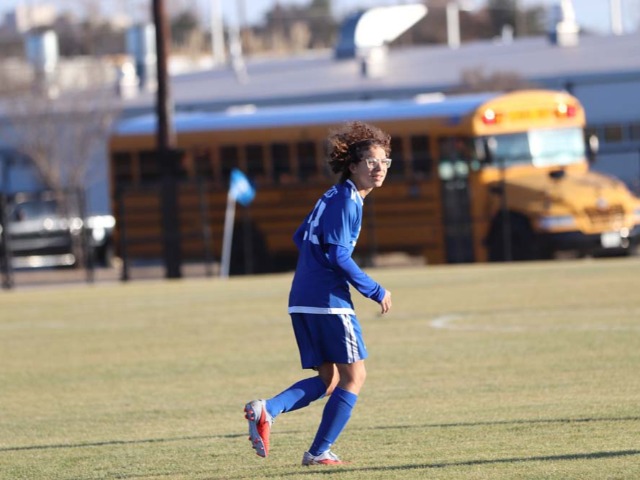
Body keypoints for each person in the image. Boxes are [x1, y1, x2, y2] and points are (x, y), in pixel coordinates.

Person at [244, 121, 393, 466]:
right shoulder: (348, 201)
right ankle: (318, 451)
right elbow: (339, 256)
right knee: (355, 377)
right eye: (371, 161)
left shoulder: (332, 196)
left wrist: (314, 266)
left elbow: (300, 237)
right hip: (328, 302)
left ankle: (269, 409)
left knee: (329, 380)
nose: (379, 168)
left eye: (385, 161)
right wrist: (374, 289)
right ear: (352, 166)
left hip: (302, 298)